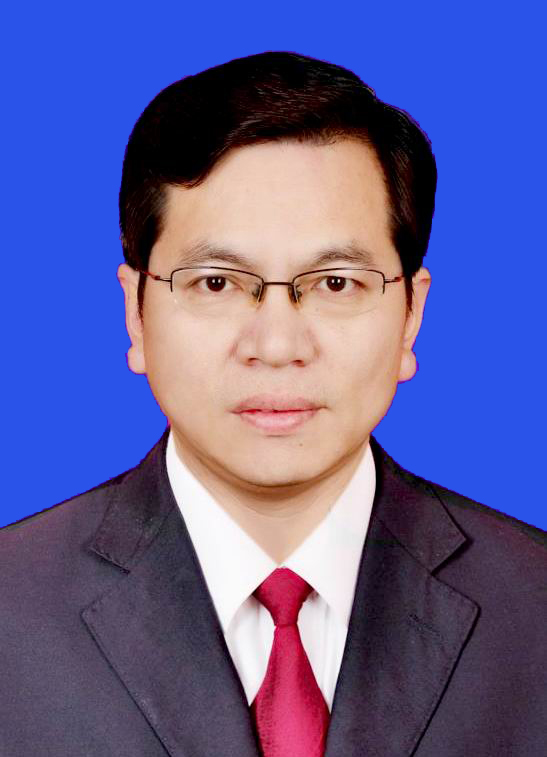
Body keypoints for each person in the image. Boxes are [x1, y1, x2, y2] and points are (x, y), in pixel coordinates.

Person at [1, 51, 545, 757]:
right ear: (135, 314)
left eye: (336, 283)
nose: (278, 344)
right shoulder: (12, 607)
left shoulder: (533, 603)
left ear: (411, 316)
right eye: (217, 283)